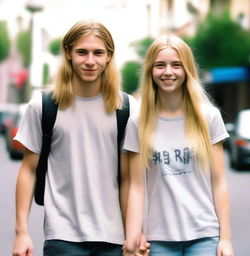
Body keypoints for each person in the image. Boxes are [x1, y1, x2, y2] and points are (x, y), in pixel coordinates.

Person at [12, 20, 147, 256]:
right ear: (68, 53)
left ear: (109, 57)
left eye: (98, 53)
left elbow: (129, 180)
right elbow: (28, 170)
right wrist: (22, 232)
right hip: (62, 236)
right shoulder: (44, 106)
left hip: (113, 238)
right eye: (82, 52)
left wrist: (134, 233)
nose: (90, 61)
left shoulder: (126, 108)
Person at [123, 35, 234, 256]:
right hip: (160, 240)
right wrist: (133, 236)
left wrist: (226, 239)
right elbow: (136, 187)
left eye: (176, 65)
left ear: (187, 70)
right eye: (160, 65)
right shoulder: (138, 122)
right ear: (150, 71)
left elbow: (219, 182)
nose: (168, 72)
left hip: (204, 235)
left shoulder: (208, 117)